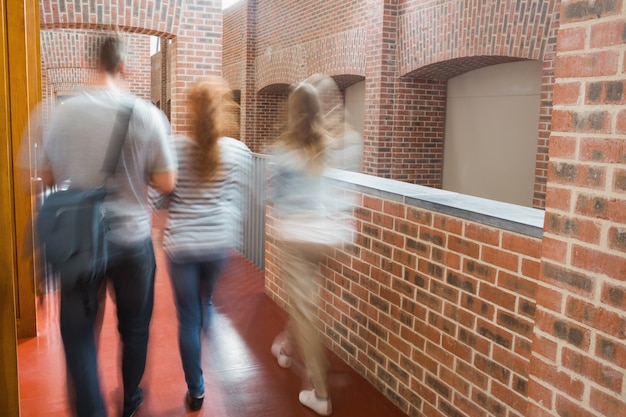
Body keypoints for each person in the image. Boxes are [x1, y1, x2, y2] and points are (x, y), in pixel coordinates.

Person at [37, 33, 177, 417]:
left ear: (90, 65)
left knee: (79, 337)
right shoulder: (147, 114)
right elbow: (166, 182)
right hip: (133, 241)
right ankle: (130, 399)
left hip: (79, 243)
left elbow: (47, 175)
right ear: (123, 66)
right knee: (133, 330)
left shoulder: (63, 113)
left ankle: (91, 409)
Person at [151, 77, 251, 411]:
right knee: (205, 304)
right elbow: (239, 200)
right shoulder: (238, 152)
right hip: (216, 245)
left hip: (182, 247)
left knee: (187, 318)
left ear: (190, 111)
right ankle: (206, 342)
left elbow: (160, 200)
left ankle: (196, 389)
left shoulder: (175, 149)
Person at [269, 80, 354, 416]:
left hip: (295, 235)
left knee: (305, 309)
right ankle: (288, 348)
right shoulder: (331, 147)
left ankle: (320, 393)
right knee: (302, 300)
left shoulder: (282, 149)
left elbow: (275, 199)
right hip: (327, 236)